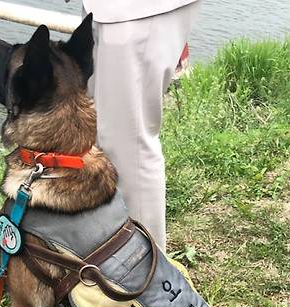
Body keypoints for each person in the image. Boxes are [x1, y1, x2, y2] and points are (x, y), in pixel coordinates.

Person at [81, 0, 201, 249]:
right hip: (108, 8)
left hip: (137, 9)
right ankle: (106, 251)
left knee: (128, 144)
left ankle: (148, 268)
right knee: (94, 128)